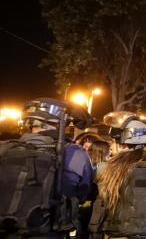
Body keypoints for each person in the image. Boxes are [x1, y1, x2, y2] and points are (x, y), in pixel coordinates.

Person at [0, 98, 94, 238]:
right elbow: (83, 192)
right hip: (49, 230)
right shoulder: (75, 152)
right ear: (60, 123)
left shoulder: (5, 148)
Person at [88, 112, 146, 239]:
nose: (111, 146)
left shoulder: (113, 169)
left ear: (122, 144)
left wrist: (94, 229)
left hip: (121, 233)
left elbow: (103, 204)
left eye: (113, 142)